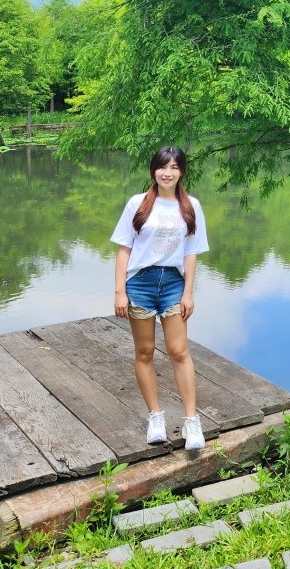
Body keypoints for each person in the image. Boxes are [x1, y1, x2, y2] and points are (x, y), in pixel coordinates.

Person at [111, 145, 209, 449]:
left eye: (174, 167)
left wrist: (188, 292)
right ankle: (156, 416)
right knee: (145, 352)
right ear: (154, 170)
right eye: (162, 167)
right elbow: (124, 248)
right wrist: (119, 291)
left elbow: (191, 253)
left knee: (179, 350)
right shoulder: (138, 204)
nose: (167, 173)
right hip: (140, 282)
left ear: (182, 172)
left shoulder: (190, 206)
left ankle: (192, 422)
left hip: (173, 285)